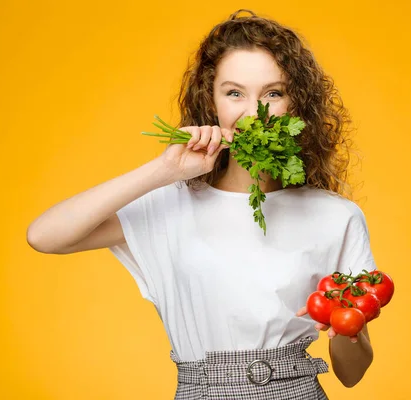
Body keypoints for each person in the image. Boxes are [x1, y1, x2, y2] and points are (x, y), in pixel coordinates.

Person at [27, 9, 377, 399]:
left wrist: (347, 326)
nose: (254, 112)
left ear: (297, 105)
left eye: (273, 93)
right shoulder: (169, 206)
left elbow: (351, 374)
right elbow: (44, 236)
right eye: (234, 93)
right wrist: (164, 170)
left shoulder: (336, 216)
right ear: (211, 103)